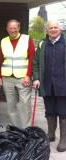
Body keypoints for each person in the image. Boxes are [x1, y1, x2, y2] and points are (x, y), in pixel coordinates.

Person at [33, 20, 66, 152]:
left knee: (63, 112)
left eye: (55, 27)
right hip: (47, 84)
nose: (53, 30)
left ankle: (64, 139)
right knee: (50, 111)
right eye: (50, 28)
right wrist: (36, 78)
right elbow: (36, 63)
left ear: (61, 29)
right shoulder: (42, 44)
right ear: (47, 30)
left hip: (63, 85)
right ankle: (51, 134)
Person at [0, 19, 35, 128]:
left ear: (19, 28)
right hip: (7, 77)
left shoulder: (27, 39)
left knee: (24, 104)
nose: (13, 30)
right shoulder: (3, 41)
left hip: (23, 78)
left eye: (15, 28)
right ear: (7, 29)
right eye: (10, 28)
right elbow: (1, 60)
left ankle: (25, 128)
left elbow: (32, 58)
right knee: (10, 104)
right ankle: (14, 127)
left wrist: (28, 75)